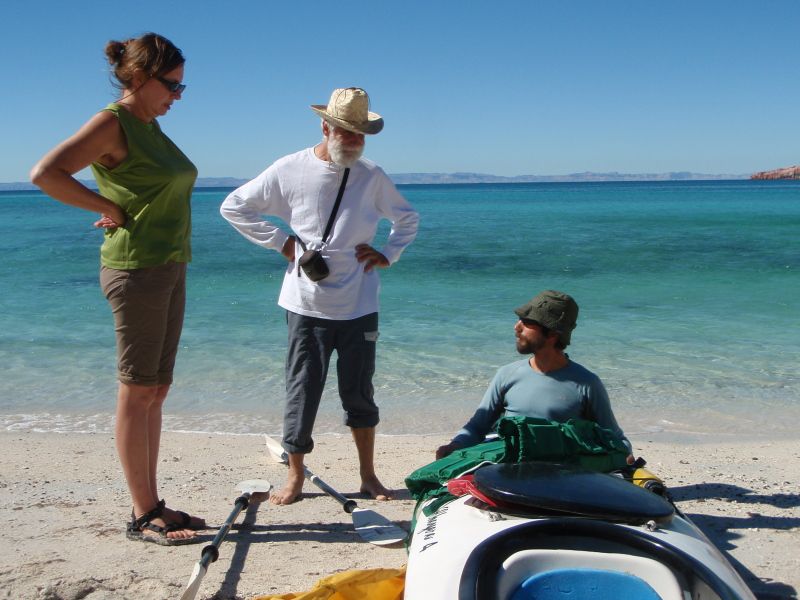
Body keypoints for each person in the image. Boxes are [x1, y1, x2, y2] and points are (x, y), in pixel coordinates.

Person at [30, 33, 203, 545]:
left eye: (181, 85)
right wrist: (106, 208)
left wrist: (114, 204)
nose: (178, 94)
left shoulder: (151, 127)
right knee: (137, 389)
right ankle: (143, 512)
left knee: (157, 389)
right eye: (173, 84)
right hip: (136, 269)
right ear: (140, 78)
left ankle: (155, 504)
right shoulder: (114, 121)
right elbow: (46, 173)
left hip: (169, 266)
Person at [220, 87, 419, 505]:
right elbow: (235, 206)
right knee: (303, 389)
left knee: (359, 391)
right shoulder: (289, 169)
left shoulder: (371, 175)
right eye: (347, 132)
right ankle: (294, 476)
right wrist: (285, 245)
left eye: (360, 135)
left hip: (361, 304)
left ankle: (368, 475)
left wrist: (388, 254)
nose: (354, 141)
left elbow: (407, 217)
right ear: (325, 127)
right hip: (305, 304)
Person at [436, 290, 633, 460]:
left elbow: (615, 439)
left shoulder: (586, 383)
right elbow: (478, 426)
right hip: (508, 467)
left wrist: (625, 457)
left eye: (528, 322)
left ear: (553, 333)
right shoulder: (507, 374)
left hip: (557, 473)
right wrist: (455, 445)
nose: (517, 327)